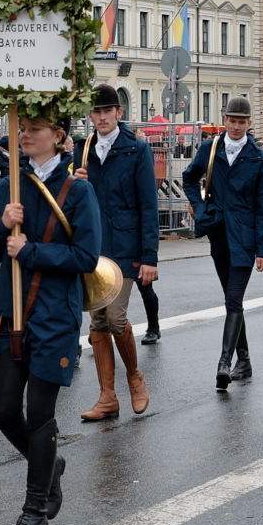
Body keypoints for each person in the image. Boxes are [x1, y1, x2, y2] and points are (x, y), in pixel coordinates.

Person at [0, 110, 100, 525]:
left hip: (53, 317)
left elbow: (86, 257)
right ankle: (49, 464)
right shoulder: (7, 187)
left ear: (58, 135)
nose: (25, 136)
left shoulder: (78, 190)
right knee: (3, 409)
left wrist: (31, 250)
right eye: (22, 129)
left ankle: (34, 512)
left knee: (40, 414)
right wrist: (1, 224)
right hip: (9, 314)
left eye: (34, 130)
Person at [73, 85, 159, 421]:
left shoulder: (136, 149)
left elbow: (148, 205)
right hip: (92, 248)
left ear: (119, 113)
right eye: (96, 112)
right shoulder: (83, 150)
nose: (102, 117)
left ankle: (134, 376)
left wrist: (149, 257)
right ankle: (107, 397)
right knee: (97, 320)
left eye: (107, 111)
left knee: (115, 317)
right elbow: (72, 202)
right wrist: (75, 182)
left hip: (125, 248)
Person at [183, 97, 263, 390]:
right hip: (218, 234)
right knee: (232, 300)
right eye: (232, 121)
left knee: (233, 299)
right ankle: (244, 360)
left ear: (249, 123)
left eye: (241, 122)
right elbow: (189, 178)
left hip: (245, 237)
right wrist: (200, 207)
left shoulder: (259, 158)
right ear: (225, 121)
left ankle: (224, 363)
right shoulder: (210, 148)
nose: (236, 126)